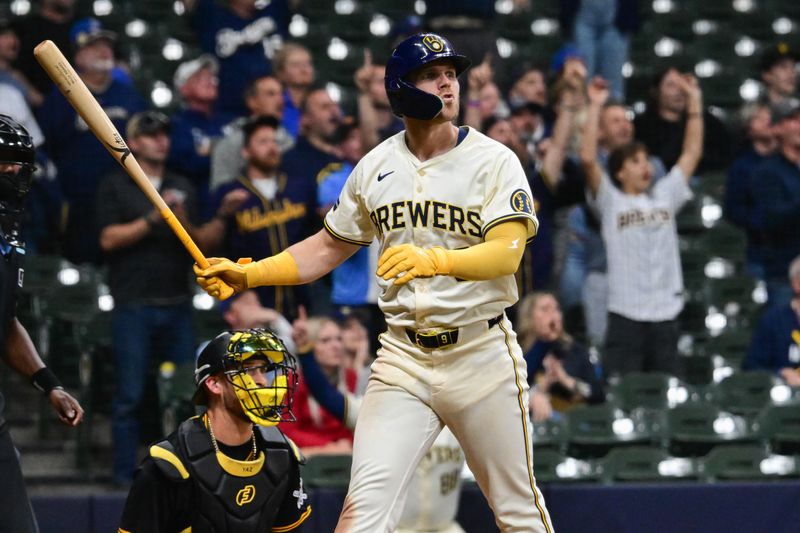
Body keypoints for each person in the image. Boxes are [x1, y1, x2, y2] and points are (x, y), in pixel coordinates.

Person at [195, 32, 554, 532]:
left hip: (480, 352)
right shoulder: (376, 165)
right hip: (403, 358)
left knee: (518, 512)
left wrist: (433, 261)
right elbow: (325, 248)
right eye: (433, 74)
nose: (448, 83)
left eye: (451, 74)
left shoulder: (495, 160)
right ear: (401, 89)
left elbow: (506, 254)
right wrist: (248, 272)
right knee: (361, 515)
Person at [96, 110, 245, 485]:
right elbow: (107, 239)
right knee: (130, 394)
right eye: (149, 134)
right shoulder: (116, 185)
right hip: (132, 304)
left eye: (163, 134)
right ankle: (122, 480)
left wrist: (192, 220)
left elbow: (197, 244)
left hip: (177, 302)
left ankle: (185, 477)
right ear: (132, 142)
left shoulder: (182, 184)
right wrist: (155, 216)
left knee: (185, 395)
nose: (159, 140)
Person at [118, 328, 312, 532]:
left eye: (263, 370)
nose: (262, 381)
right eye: (248, 371)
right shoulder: (168, 464)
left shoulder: (282, 454)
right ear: (214, 384)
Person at [291, 312, 466, 533]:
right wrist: (306, 352)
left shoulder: (465, 410)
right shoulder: (388, 410)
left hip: (446, 528)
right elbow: (328, 397)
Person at [580, 75, 703, 381]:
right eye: (636, 161)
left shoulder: (665, 195)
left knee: (669, 391)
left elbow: (691, 154)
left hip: (666, 311)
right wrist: (595, 105)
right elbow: (586, 158)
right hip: (625, 312)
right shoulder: (611, 202)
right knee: (622, 392)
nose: (645, 165)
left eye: (646, 159)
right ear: (620, 172)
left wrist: (695, 100)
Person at [0, 113, 84, 533]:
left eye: (19, 165)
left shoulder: (9, 239)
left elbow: (5, 323)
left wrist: (49, 382)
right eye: (5, 165)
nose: (16, 174)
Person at [38, 17, 146, 264]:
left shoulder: (129, 96)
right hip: (79, 199)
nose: (104, 50)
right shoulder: (60, 97)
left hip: (123, 196)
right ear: (77, 56)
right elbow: (47, 145)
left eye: (107, 45)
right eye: (94, 46)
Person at [211, 116, 318, 320]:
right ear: (245, 151)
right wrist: (223, 213)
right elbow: (211, 246)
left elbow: (314, 234)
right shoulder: (228, 193)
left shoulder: (300, 187)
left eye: (274, 141)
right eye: (263, 142)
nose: (271, 147)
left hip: (302, 299)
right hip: (252, 300)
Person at [516, 292, 605, 422]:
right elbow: (511, 393)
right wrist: (539, 389)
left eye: (556, 309)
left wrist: (567, 381)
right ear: (529, 317)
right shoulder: (517, 353)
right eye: (545, 309)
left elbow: (598, 394)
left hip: (574, 421)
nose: (553, 315)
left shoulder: (573, 350)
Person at [279, 316, 356, 456]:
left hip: (347, 454)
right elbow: (286, 432)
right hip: (308, 458)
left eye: (339, 339)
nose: (336, 346)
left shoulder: (352, 377)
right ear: (309, 346)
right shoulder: (292, 381)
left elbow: (361, 425)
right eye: (325, 341)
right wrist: (328, 447)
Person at [752, 100, 800, 308]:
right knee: (788, 338)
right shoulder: (767, 172)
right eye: (793, 120)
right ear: (778, 128)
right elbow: (772, 220)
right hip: (785, 274)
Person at [210, 75, 294, 191]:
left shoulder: (289, 139)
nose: (280, 101)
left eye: (281, 94)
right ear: (252, 102)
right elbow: (220, 190)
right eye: (270, 94)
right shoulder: (232, 143)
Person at [724, 102, 776, 281]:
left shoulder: (790, 158)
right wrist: (764, 221)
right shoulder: (742, 166)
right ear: (748, 128)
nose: (766, 121)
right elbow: (733, 210)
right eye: (758, 118)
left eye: (768, 116)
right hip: (762, 251)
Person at [743, 255, 800, 386]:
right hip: (784, 398)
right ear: (796, 284)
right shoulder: (773, 320)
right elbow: (752, 367)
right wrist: (780, 373)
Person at [759, 42, 799, 108]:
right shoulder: (752, 114)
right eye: (783, 67)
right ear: (767, 75)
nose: (792, 73)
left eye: (793, 67)